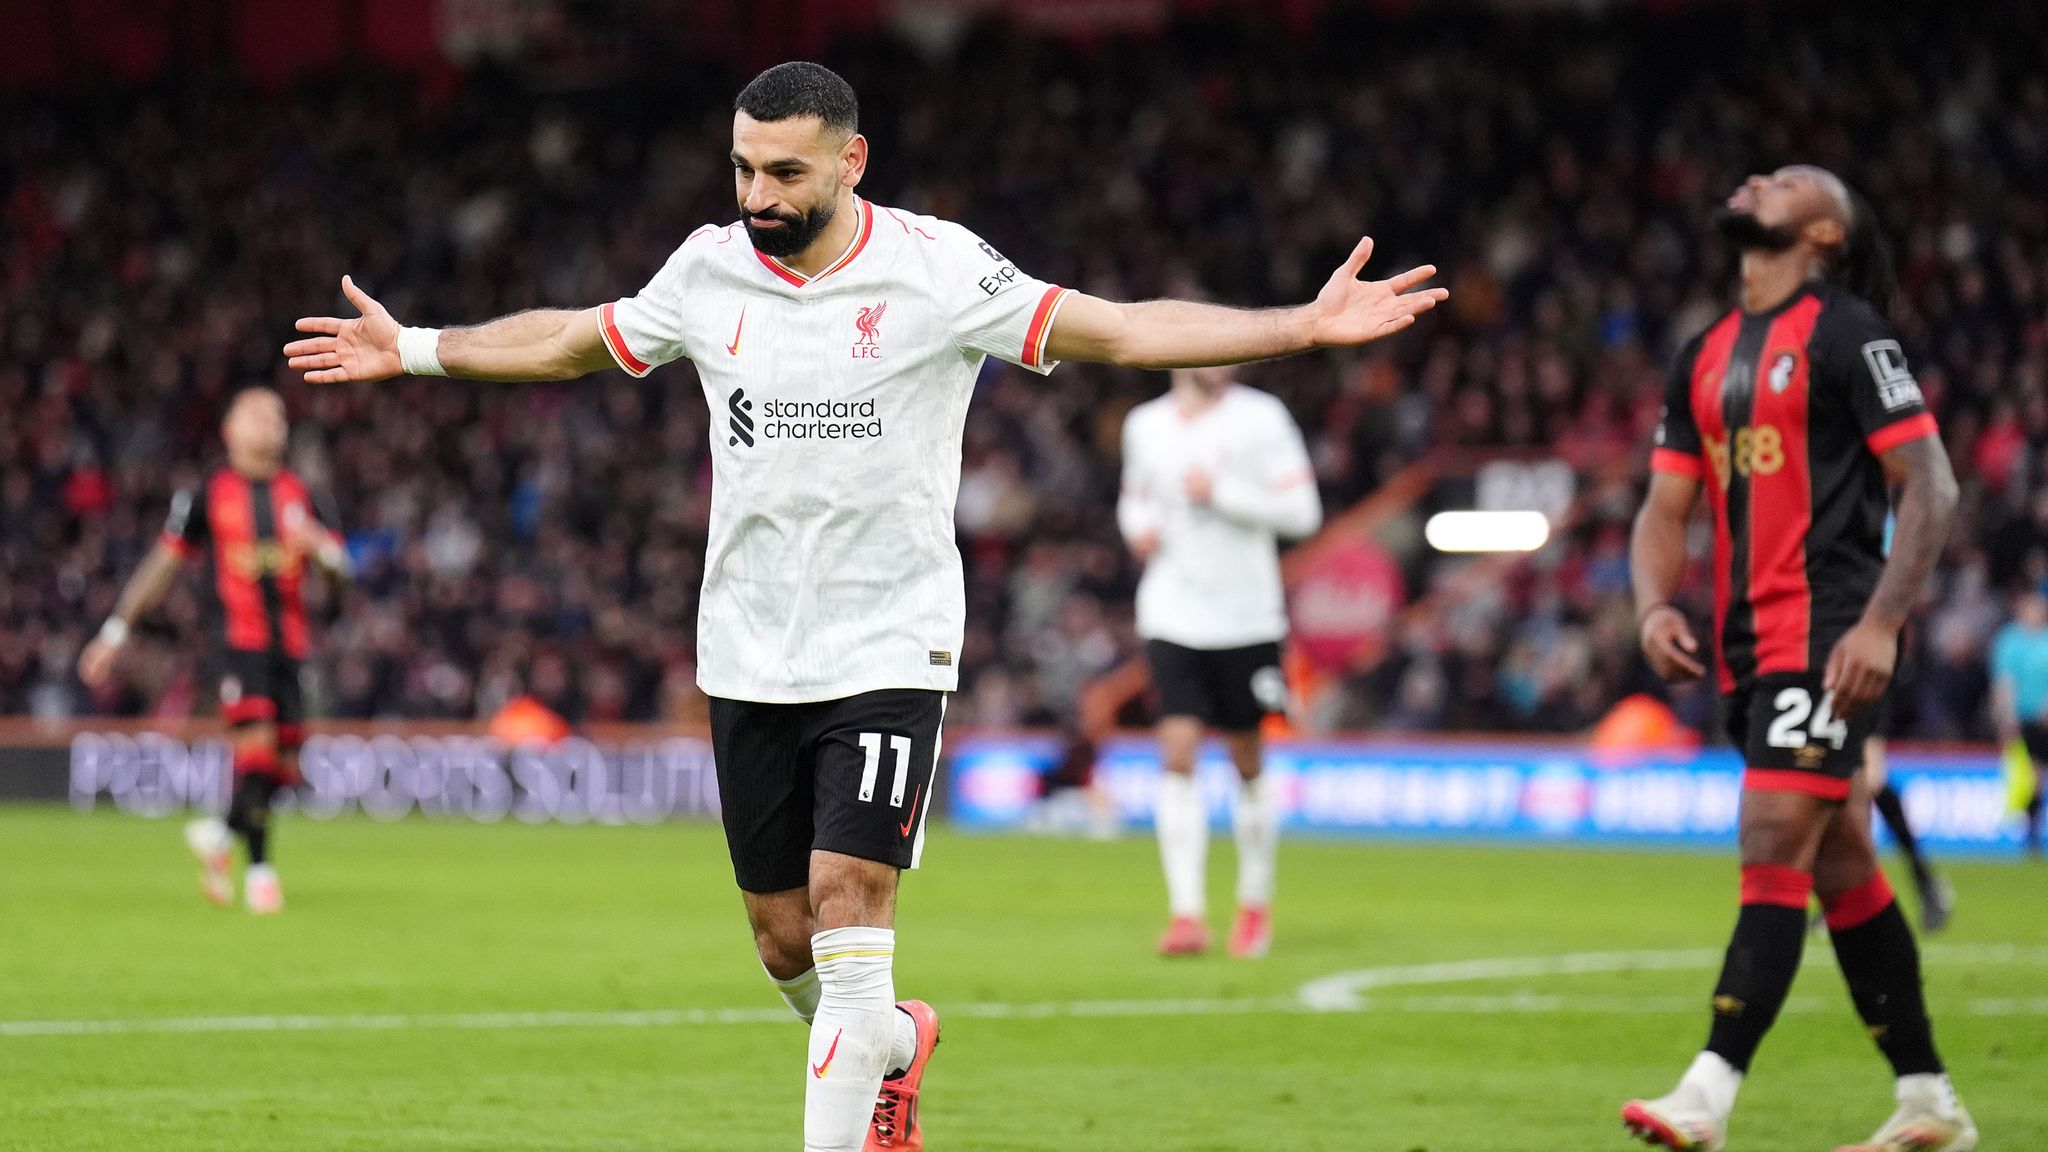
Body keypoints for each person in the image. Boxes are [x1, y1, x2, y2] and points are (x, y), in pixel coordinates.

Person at [280, 61, 1445, 1152]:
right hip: (746, 648)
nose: (757, 194)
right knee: (786, 942)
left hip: (889, 642)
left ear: (852, 163)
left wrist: (1294, 325)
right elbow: (572, 344)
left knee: (849, 918)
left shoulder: (937, 273)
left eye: (784, 171)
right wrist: (420, 347)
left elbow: (1122, 324)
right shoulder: (706, 270)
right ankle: (893, 1041)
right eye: (743, 168)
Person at [1624, 167, 1973, 1151]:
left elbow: (1931, 486)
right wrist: (1650, 604)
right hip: (1741, 652)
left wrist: (1878, 624)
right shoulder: (1701, 354)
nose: (1753, 179)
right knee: (1841, 867)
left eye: (1781, 182)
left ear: (1820, 232)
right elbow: (1662, 506)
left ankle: (1706, 1094)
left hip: (1824, 638)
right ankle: (1928, 1102)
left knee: (1770, 832)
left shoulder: (1846, 333)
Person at [77, 388, 348, 915]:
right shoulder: (208, 494)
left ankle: (220, 837)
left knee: (283, 769)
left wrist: (329, 557)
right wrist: (115, 632)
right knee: (256, 749)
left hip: (290, 648)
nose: (269, 423)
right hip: (235, 646)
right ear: (229, 431)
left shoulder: (307, 497)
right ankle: (262, 874)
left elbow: (341, 582)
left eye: (276, 414)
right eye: (255, 414)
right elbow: (163, 565)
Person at [1118, 364, 1321, 957]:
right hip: (1171, 610)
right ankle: (1187, 914)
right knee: (1176, 752)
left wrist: (1223, 495)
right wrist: (1138, 529)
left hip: (1246, 615)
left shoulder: (1262, 418)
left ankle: (1254, 902)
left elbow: (1303, 513)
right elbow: (1134, 500)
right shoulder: (1145, 424)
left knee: (1246, 756)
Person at [1990, 589, 2048, 857]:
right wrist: (2007, 716)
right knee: (2029, 775)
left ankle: (2032, 830)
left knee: (2037, 776)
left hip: (2044, 718)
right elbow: (2004, 682)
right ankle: (2030, 831)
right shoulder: (2010, 641)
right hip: (2024, 720)